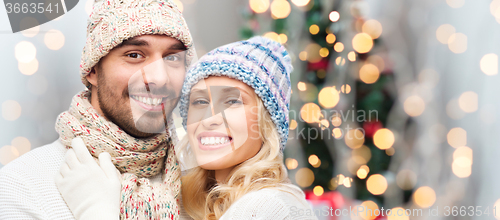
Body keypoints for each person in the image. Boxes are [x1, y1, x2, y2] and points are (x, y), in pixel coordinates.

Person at [55, 36, 318, 219]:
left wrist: (96, 211)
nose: (210, 117)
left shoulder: (267, 206)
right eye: (200, 101)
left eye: (232, 101)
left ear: (266, 122)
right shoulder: (202, 202)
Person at [0, 0, 194, 219]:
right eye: (134, 55)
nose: (159, 78)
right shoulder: (22, 187)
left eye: (173, 58)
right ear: (92, 70)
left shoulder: (203, 187)